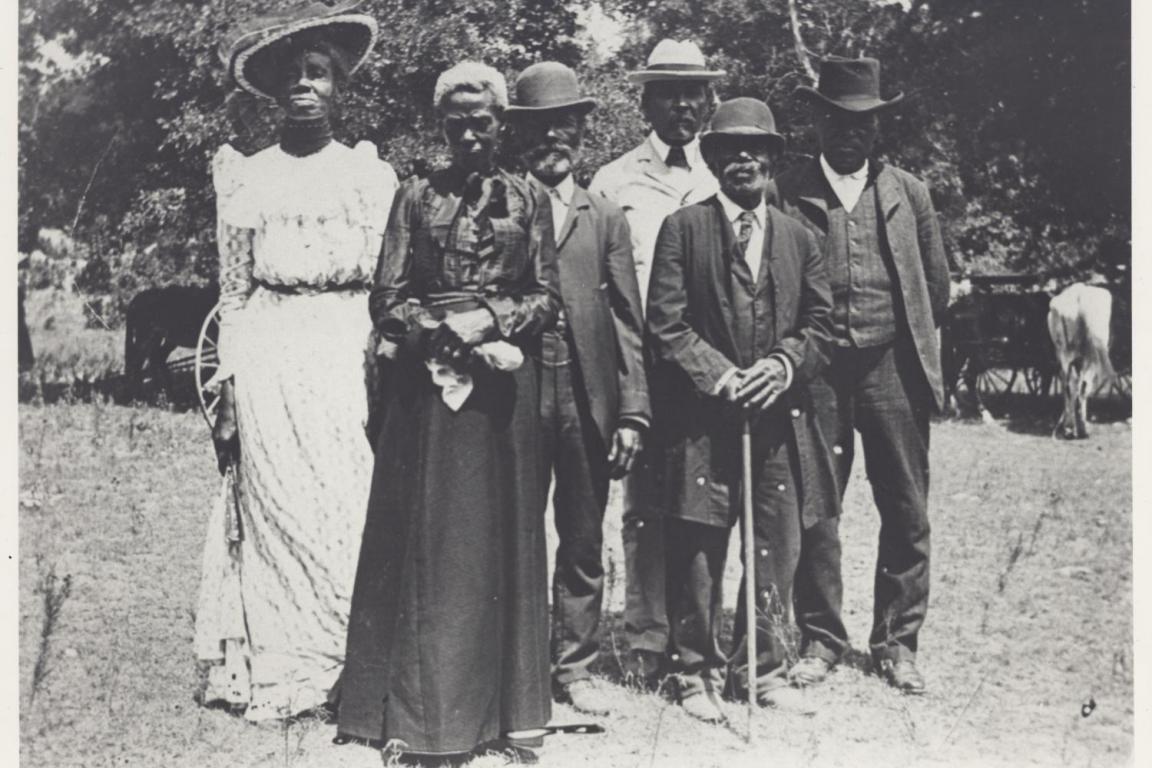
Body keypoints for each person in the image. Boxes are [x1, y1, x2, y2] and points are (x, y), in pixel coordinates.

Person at [337, 61, 560, 765]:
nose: (470, 132)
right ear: (442, 126)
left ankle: (501, 716)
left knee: (498, 543)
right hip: (426, 396)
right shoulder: (413, 196)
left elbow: (548, 297)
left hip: (501, 399)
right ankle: (419, 718)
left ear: (501, 125)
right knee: (429, 545)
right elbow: (387, 296)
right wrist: (445, 335)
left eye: (482, 120)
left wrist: (491, 320)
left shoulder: (529, 198)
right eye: (456, 121)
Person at [194, 1, 398, 721]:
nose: (305, 86)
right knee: (276, 501)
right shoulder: (248, 176)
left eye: (318, 73)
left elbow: (384, 285)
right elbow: (237, 289)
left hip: (343, 346)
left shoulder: (368, 176)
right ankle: (283, 665)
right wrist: (228, 386)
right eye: (293, 75)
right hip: (273, 348)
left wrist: (382, 361)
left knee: (344, 498)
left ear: (340, 85)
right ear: (276, 90)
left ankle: (347, 661)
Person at [646, 97, 837, 723]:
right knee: (699, 543)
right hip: (703, 420)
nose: (744, 160)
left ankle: (762, 669)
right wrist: (722, 376)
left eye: (756, 150)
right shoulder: (685, 228)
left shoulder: (800, 237)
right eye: (730, 150)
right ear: (714, 159)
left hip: (778, 420)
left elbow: (820, 324)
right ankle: (691, 672)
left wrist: (781, 366)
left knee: (773, 546)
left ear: (774, 160)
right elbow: (666, 326)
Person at [767, 56, 949, 695]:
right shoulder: (785, 191)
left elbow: (936, 286)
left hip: (892, 369)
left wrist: (905, 346)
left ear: (878, 128)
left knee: (906, 509)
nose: (851, 132)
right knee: (817, 508)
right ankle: (821, 640)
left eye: (864, 122)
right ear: (818, 120)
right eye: (838, 118)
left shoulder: (909, 193)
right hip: (815, 374)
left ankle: (897, 645)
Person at [505, 62, 650, 716]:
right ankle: (515, 662)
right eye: (538, 128)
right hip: (516, 392)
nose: (551, 139)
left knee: (583, 536)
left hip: (589, 394)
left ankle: (576, 664)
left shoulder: (606, 215)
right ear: (520, 135)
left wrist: (633, 413)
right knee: (515, 529)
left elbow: (627, 317)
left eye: (563, 125)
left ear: (581, 132)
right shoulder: (499, 204)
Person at [587, 38, 724, 685]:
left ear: (708, 99)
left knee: (701, 505)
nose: (683, 105)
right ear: (645, 99)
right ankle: (645, 640)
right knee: (644, 505)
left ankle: (699, 636)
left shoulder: (726, 174)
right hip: (640, 368)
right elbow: (602, 289)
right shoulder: (614, 181)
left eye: (694, 91)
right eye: (668, 91)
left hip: (708, 370)